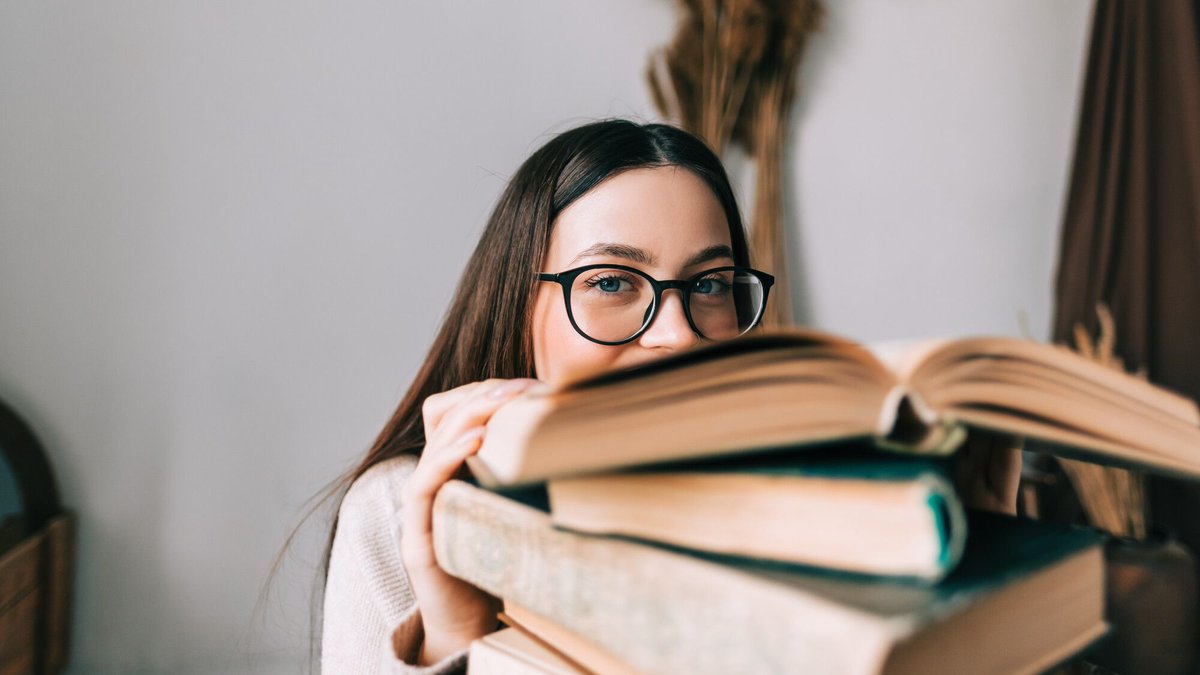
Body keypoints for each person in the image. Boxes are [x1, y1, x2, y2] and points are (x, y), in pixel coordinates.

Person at [318, 119, 1021, 674]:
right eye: (612, 282)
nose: (679, 335)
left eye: (709, 285)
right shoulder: (401, 508)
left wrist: (978, 574)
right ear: (517, 303)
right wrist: (455, 634)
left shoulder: (800, 497)